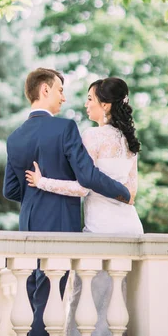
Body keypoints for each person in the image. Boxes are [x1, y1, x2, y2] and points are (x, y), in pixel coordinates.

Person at [3, 68, 131, 336]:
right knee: (53, 286)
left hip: (28, 219)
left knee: (32, 284)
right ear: (45, 90)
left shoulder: (14, 137)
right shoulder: (65, 128)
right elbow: (86, 176)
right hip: (60, 219)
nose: (64, 97)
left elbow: (11, 189)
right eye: (60, 90)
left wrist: (35, 192)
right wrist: (122, 191)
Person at [26, 76, 143, 235]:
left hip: (102, 228)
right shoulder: (130, 141)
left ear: (105, 105)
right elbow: (131, 194)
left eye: (90, 99)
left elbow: (83, 188)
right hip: (132, 227)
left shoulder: (92, 135)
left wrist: (41, 182)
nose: (86, 104)